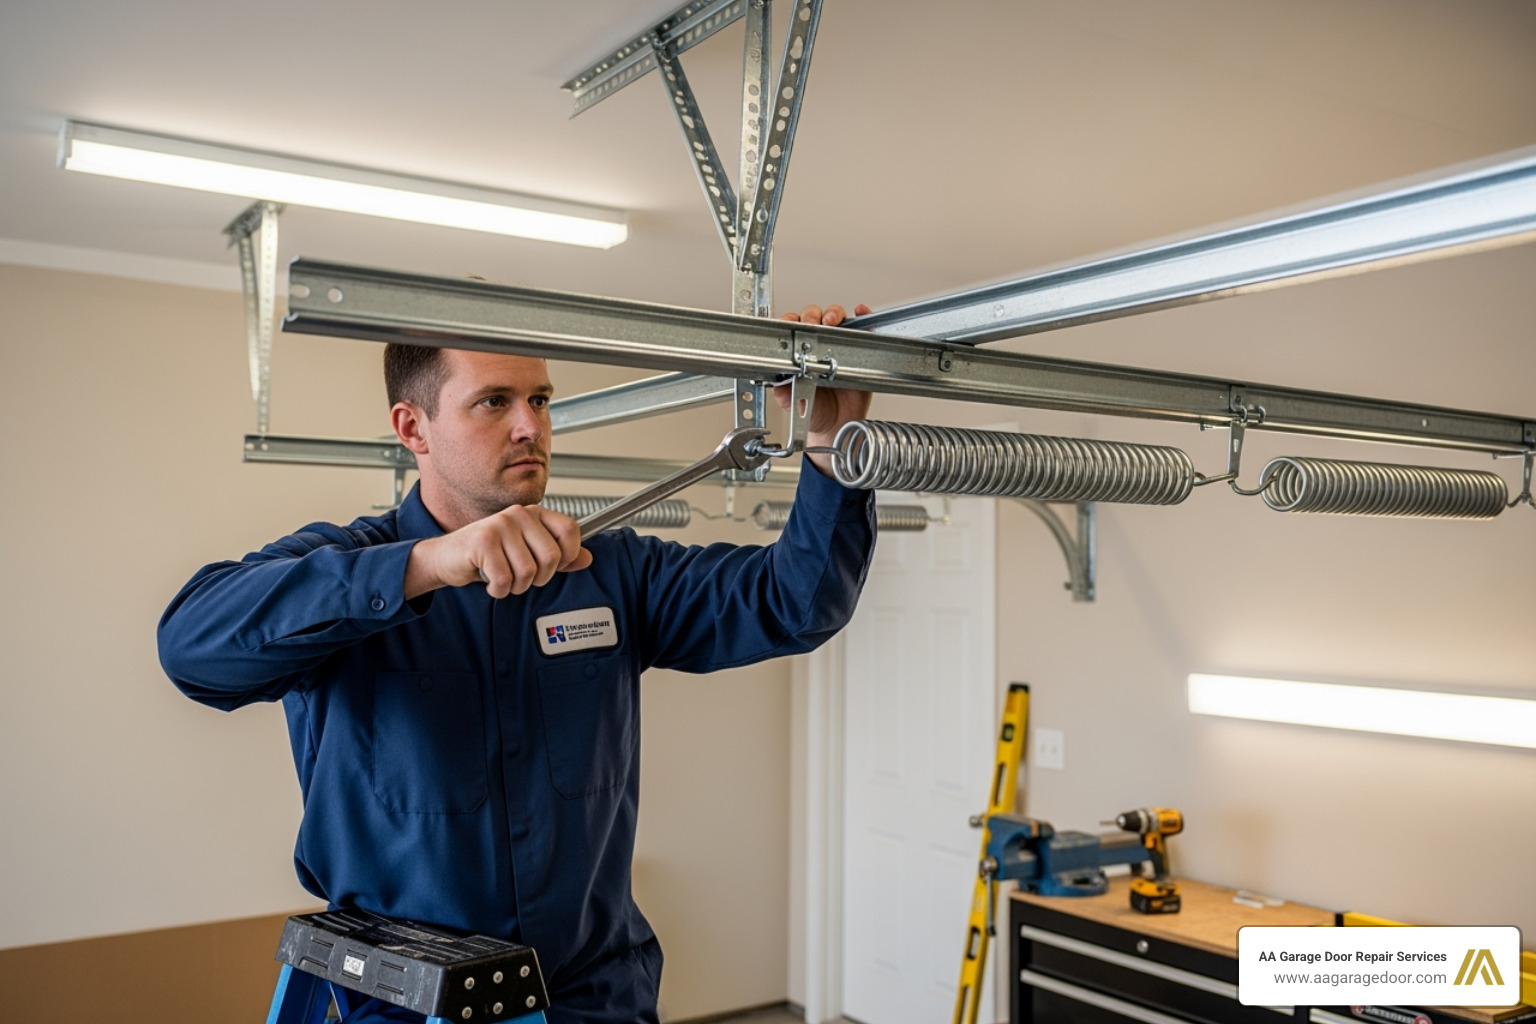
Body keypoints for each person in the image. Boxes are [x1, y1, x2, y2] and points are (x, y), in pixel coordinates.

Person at [158, 303, 877, 1024]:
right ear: (413, 428)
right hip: (411, 1005)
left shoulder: (608, 570)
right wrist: (426, 566)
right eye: (494, 402)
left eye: (539, 399)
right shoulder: (347, 570)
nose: (531, 425)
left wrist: (830, 441)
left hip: (593, 1001)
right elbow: (190, 646)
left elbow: (796, 602)